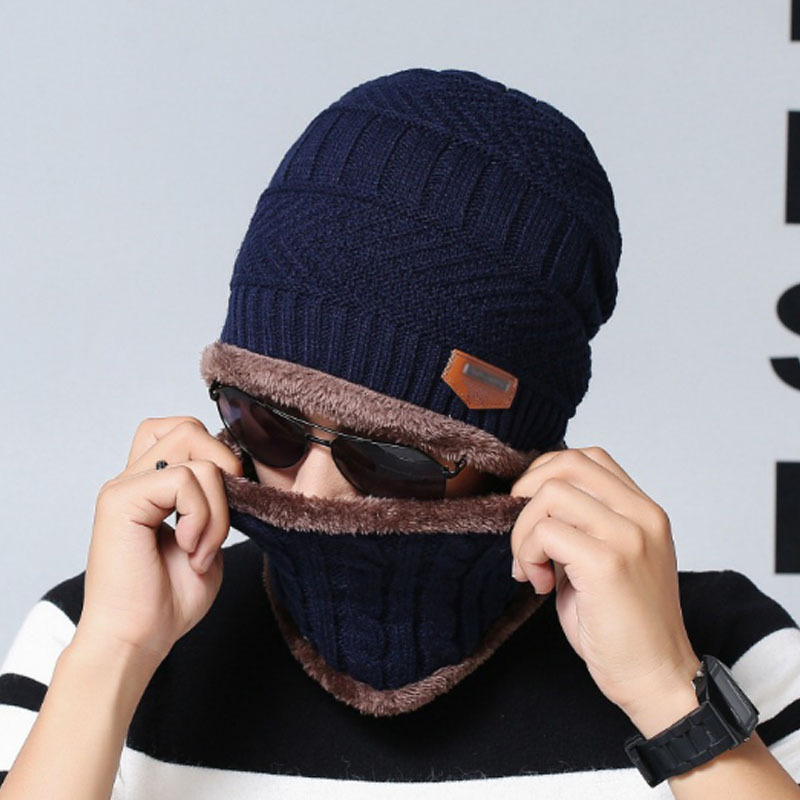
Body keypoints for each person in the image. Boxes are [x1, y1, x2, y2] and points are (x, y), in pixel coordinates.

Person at [1, 67, 799, 800]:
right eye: (267, 424)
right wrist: (114, 654)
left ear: (513, 461)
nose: (315, 492)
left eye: (390, 456)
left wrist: (666, 693)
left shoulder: (723, 649)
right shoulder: (91, 633)